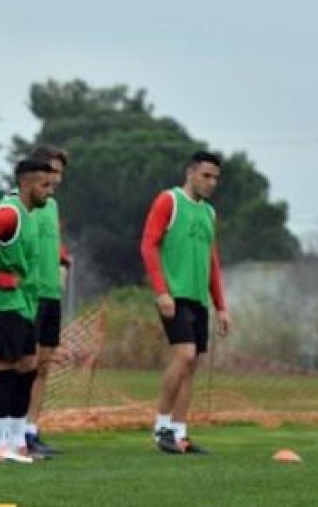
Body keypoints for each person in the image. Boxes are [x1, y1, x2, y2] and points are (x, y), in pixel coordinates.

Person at [0, 158, 57, 464]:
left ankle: (17, 443)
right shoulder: (9, 212)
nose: (50, 190)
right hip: (5, 305)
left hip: (23, 304)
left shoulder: (30, 213)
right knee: (6, 370)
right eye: (45, 185)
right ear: (27, 183)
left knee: (28, 367)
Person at [141, 150, 231, 455]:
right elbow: (148, 245)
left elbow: (212, 261)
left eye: (216, 178)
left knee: (192, 365)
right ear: (190, 172)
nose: (211, 182)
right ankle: (161, 427)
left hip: (197, 299)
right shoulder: (169, 200)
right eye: (206, 175)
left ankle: (180, 433)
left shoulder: (210, 213)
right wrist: (161, 291)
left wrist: (221, 306)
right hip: (174, 295)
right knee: (185, 355)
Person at [23, 145, 72, 457]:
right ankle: (11, 432)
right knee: (22, 367)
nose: (56, 179)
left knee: (42, 368)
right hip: (28, 296)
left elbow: (50, 246)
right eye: (51, 171)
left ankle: (31, 429)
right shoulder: (19, 204)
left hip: (51, 296)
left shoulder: (52, 207)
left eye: (60, 174)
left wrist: (62, 257)